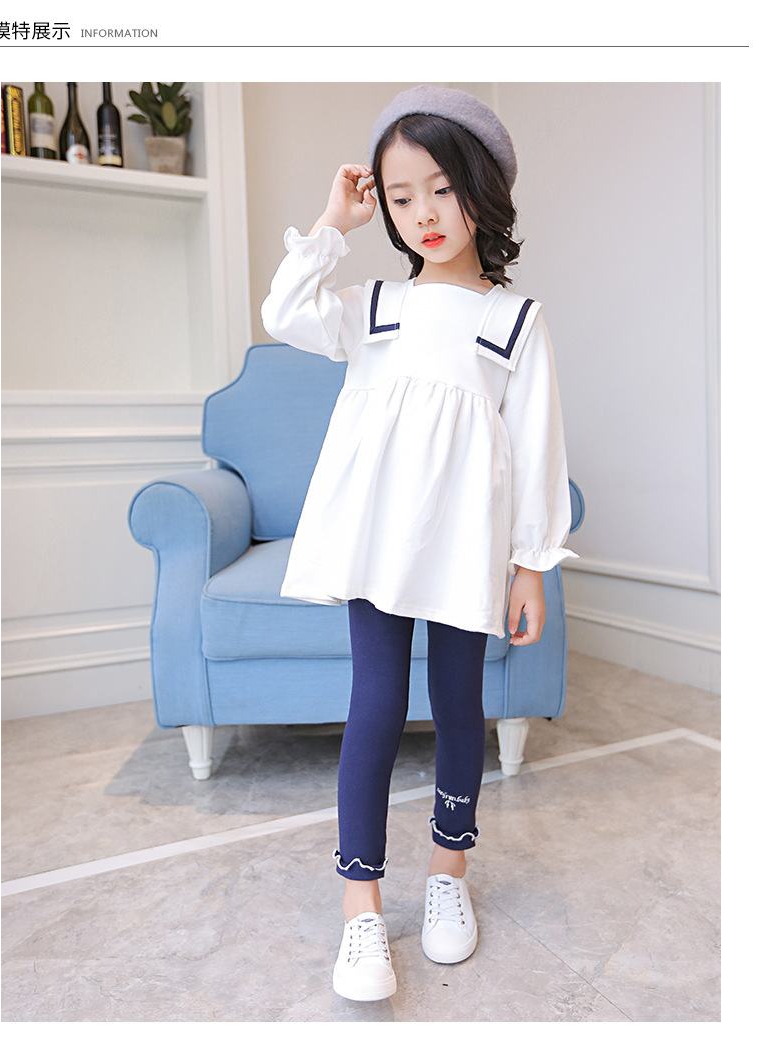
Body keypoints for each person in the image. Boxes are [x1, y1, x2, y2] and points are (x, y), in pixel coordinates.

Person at [261, 85, 576, 1002]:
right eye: (401, 197)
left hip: (464, 545)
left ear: (482, 189)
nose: (423, 213)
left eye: (442, 188)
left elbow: (537, 447)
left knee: (458, 703)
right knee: (375, 701)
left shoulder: (514, 322)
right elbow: (284, 310)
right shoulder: (374, 307)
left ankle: (448, 874)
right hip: (377, 544)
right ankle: (360, 904)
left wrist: (532, 564)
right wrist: (334, 223)